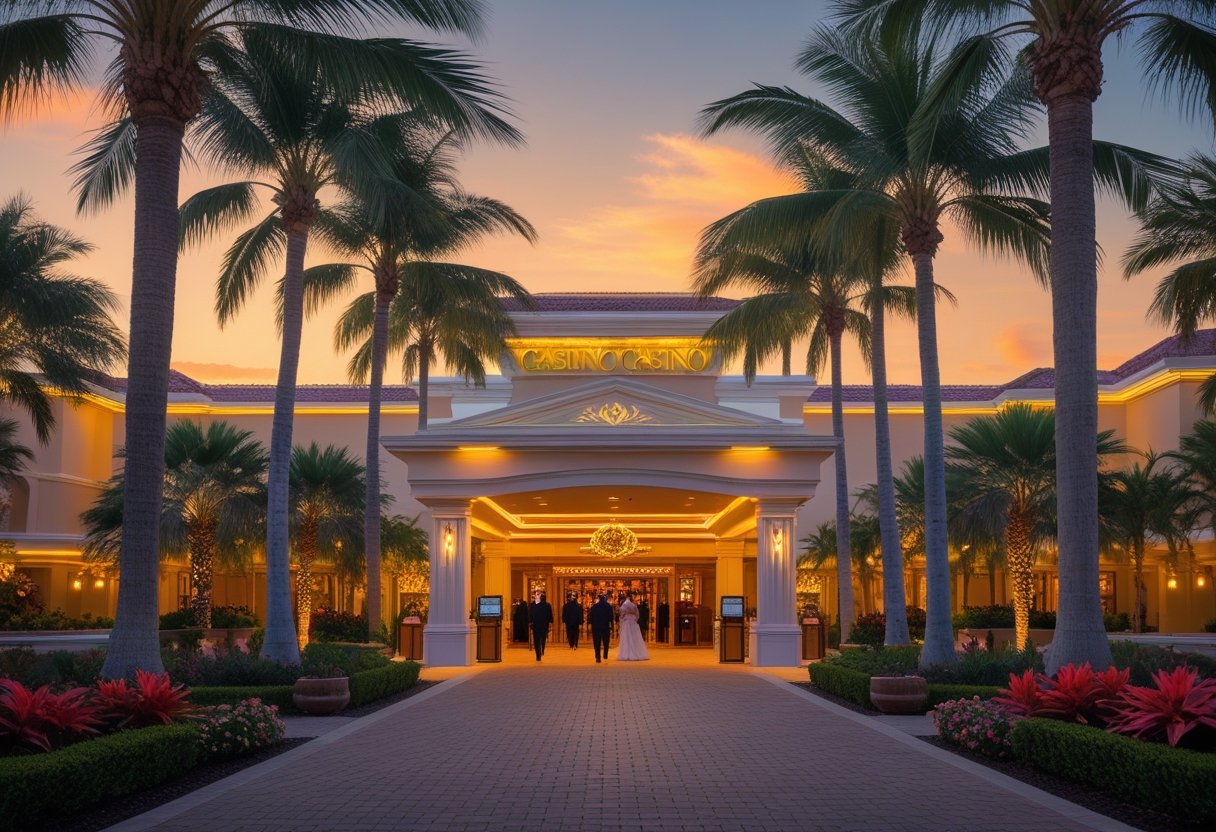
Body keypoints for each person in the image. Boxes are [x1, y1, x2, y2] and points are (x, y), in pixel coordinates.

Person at [615, 591, 650, 661]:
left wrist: (622, 621)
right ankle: (637, 652)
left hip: (626, 623)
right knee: (634, 638)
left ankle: (626, 653)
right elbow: (637, 615)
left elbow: (621, 615)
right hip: (633, 624)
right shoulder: (634, 606)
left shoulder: (624, 606)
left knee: (626, 638)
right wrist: (634, 620)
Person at [588, 593, 613, 664]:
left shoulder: (594, 607)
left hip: (596, 627)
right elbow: (611, 617)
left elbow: (591, 617)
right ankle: (605, 655)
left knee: (597, 642)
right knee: (606, 642)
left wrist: (592, 624)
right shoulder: (608, 606)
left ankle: (598, 657)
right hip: (605, 626)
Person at [530, 592, 553, 661]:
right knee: (543, 638)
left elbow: (530, 615)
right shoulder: (547, 605)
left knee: (536, 640)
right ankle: (542, 650)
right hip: (544, 625)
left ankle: (538, 655)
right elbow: (550, 615)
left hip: (536, 625)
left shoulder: (533, 605)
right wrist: (550, 622)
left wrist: (530, 622)